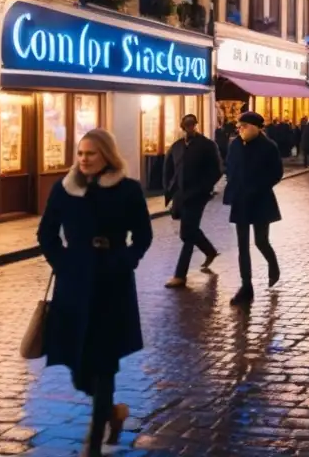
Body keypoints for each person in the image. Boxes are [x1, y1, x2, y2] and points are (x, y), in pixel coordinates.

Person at [37, 129, 153, 455]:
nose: (84, 159)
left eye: (91, 153)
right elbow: (46, 234)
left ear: (106, 155)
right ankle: (113, 411)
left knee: (104, 361)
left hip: (111, 283)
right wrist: (63, 263)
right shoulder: (64, 190)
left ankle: (94, 440)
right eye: (80, 153)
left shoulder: (127, 190)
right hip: (74, 284)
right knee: (80, 367)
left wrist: (125, 260)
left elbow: (143, 235)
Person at [223, 112, 283, 306]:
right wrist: (233, 186)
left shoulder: (269, 147)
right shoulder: (235, 145)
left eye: (245, 126)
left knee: (261, 241)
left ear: (256, 127)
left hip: (260, 200)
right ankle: (246, 286)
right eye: (239, 126)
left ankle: (273, 264)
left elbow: (277, 173)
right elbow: (229, 167)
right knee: (242, 245)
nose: (241, 130)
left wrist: (259, 187)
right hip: (240, 200)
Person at [163, 114, 223, 288]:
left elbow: (217, 170)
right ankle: (210, 251)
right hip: (180, 195)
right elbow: (167, 169)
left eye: (192, 125)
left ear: (196, 125)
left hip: (198, 195)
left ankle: (180, 275)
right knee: (189, 231)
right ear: (183, 127)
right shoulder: (176, 146)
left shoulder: (207, 145)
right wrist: (169, 189)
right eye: (187, 126)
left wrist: (204, 188)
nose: (190, 128)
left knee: (187, 232)